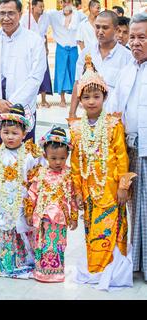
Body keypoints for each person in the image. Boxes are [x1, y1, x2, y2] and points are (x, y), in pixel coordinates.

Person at [70, 55, 134, 291]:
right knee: (93, 231)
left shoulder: (114, 124)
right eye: (86, 97)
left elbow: (121, 157)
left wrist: (123, 186)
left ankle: (113, 269)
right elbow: (76, 162)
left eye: (96, 96)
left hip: (111, 189)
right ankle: (95, 269)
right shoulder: (76, 128)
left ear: (105, 97)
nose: (91, 101)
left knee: (112, 229)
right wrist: (77, 190)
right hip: (88, 192)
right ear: (80, 99)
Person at [0, 104, 44, 278]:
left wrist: (33, 204)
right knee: (2, 229)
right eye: (6, 132)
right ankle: (4, 261)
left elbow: (36, 181)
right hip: (1, 203)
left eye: (15, 133)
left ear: (24, 134)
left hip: (23, 203)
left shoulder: (31, 156)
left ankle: (25, 262)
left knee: (23, 230)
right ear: (0, 132)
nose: (10, 137)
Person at [106, 12, 147, 282]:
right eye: (131, 36)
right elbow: (114, 111)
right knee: (134, 208)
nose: (135, 42)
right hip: (129, 150)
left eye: (142, 37)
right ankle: (137, 263)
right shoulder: (126, 70)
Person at [0, 0, 46, 146]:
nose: (6, 18)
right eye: (2, 13)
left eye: (11, 13)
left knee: (24, 157)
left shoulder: (34, 40)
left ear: (20, 14)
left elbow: (36, 77)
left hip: (24, 106)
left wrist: (13, 105)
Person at [26, 127, 78, 283]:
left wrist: (74, 216)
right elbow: (32, 193)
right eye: (53, 158)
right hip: (43, 218)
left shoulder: (69, 174)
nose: (58, 162)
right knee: (41, 243)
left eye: (62, 158)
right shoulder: (40, 173)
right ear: (45, 156)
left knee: (57, 244)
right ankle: (41, 271)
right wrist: (29, 212)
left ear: (67, 156)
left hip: (60, 218)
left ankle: (56, 272)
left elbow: (73, 197)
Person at [69, 10, 132, 118]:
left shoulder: (128, 57)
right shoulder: (86, 53)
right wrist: (72, 113)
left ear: (116, 30)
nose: (100, 31)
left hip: (116, 121)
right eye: (97, 27)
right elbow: (78, 83)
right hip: (90, 119)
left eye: (105, 28)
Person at [46, 0, 85, 108]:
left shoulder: (78, 15)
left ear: (71, 3)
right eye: (64, 2)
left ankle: (79, 98)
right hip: (61, 48)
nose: (66, 4)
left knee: (76, 73)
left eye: (68, 2)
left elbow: (88, 22)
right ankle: (62, 99)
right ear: (61, 3)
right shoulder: (54, 15)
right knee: (61, 73)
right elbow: (42, 16)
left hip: (73, 48)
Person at [21, 0, 53, 108]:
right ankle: (31, 100)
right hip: (29, 50)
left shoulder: (45, 18)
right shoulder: (25, 18)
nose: (42, 8)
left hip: (41, 50)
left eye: (43, 6)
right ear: (33, 7)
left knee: (44, 73)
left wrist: (46, 47)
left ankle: (44, 100)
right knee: (30, 75)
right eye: (40, 6)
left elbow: (44, 34)